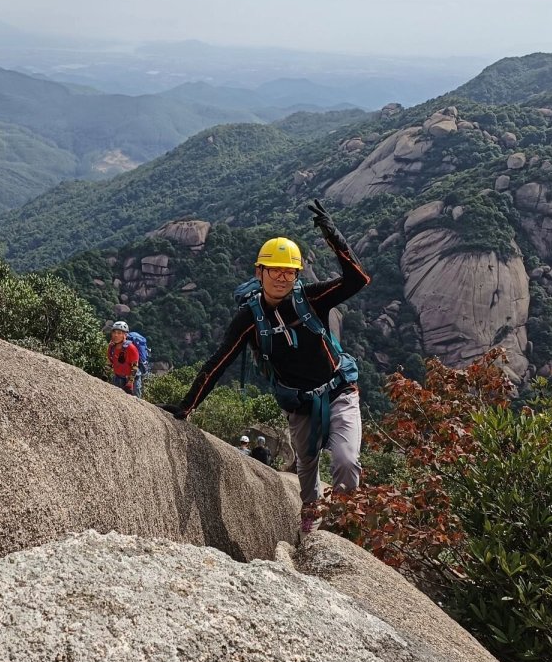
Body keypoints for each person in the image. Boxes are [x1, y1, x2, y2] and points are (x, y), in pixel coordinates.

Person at [160, 201, 369, 534]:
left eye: (289, 271)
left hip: (339, 389)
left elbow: (357, 280)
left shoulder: (310, 299)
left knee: (345, 461)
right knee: (308, 470)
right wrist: (186, 407)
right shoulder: (250, 318)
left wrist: (336, 239)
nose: (282, 277)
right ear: (260, 273)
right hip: (300, 404)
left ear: (297, 275)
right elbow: (220, 360)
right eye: (275, 270)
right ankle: (311, 524)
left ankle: (345, 528)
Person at [107, 320, 140, 395]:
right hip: (118, 377)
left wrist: (130, 382)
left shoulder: (131, 348)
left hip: (132, 379)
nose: (116, 335)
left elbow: (135, 367)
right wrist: (104, 375)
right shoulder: (111, 347)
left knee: (135, 402)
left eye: (119, 333)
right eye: (114, 332)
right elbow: (110, 361)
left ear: (125, 335)